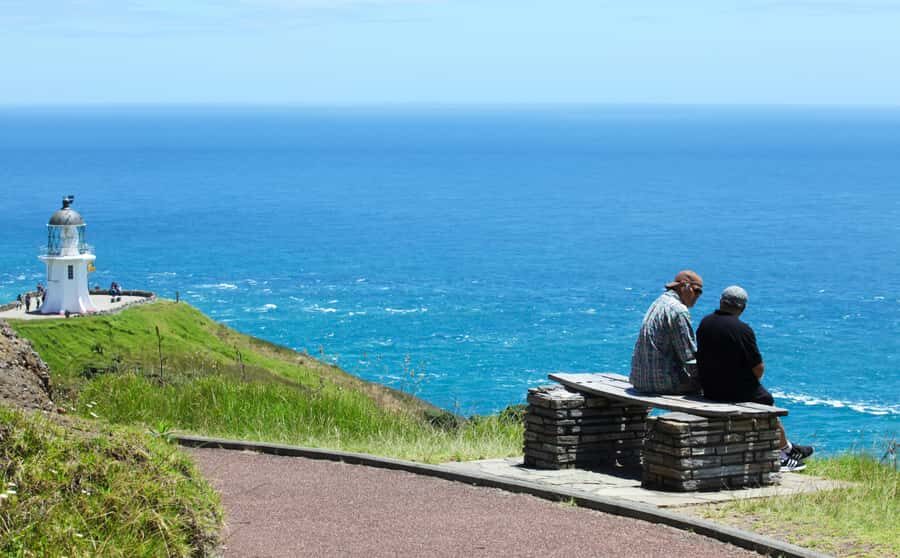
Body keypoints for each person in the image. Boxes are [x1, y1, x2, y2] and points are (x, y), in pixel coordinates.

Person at [696, 285, 814, 472]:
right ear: (743, 308)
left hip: (709, 387)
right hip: (733, 392)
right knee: (765, 400)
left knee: (762, 396)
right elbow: (758, 368)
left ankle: (789, 448)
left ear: (721, 302)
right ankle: (782, 454)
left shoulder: (705, 323)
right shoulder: (742, 330)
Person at [630, 269, 704, 394]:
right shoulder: (678, 311)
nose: (698, 296)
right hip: (662, 384)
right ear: (683, 286)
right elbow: (689, 357)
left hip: (639, 380)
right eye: (696, 291)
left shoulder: (658, 302)